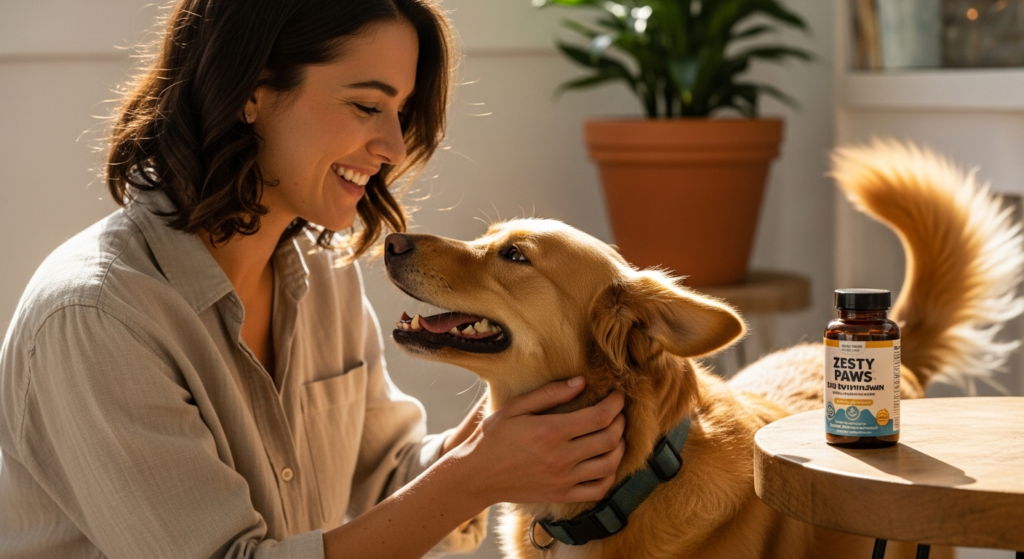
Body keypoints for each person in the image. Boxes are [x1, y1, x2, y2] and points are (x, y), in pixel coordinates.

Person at [0, 1, 627, 558]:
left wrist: (514, 443)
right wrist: (475, 476)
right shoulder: (97, 316)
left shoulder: (323, 273)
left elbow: (391, 477)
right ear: (250, 90)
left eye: (401, 112)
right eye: (365, 105)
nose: (391, 144)